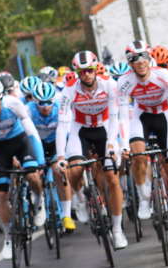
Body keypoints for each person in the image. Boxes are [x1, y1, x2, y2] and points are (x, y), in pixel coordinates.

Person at [55, 50, 128, 248]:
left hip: (104, 129)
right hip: (80, 131)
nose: (86, 74)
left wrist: (111, 143)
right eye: (82, 71)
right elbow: (62, 124)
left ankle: (117, 230)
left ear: (95, 69)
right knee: (75, 170)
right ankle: (80, 199)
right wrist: (61, 155)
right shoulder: (69, 90)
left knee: (112, 178)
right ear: (77, 73)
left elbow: (115, 117)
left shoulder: (109, 85)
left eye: (89, 70)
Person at [118, 41, 168, 241]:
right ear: (129, 63)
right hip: (142, 116)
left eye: (143, 57)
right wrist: (123, 144)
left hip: (165, 116)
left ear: (149, 58)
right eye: (134, 58)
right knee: (138, 155)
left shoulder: (163, 76)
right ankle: (144, 197)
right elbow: (123, 116)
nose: (140, 62)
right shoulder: (124, 81)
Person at [0, 77, 45, 260]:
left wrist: (40, 160)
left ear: (2, 97)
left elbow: (32, 133)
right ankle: (9, 237)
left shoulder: (14, 104)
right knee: (2, 194)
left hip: (21, 142)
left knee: (32, 175)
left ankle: (39, 201)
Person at [29, 81, 71, 232]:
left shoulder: (61, 108)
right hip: (36, 144)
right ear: (35, 102)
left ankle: (65, 214)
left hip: (56, 143)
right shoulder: (28, 110)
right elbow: (27, 136)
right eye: (41, 103)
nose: (45, 106)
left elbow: (66, 133)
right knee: (33, 174)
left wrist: (62, 156)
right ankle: (38, 200)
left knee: (59, 172)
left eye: (49, 102)